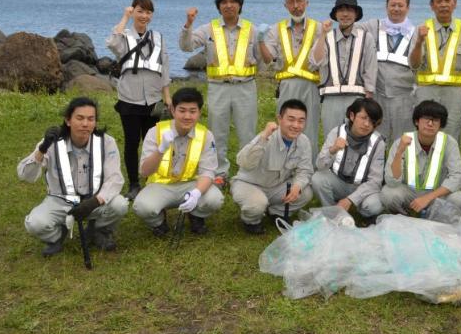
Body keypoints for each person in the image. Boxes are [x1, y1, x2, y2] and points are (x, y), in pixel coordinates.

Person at [17, 97, 128, 256]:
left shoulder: (107, 142)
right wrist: (42, 150)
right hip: (60, 200)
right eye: (80, 118)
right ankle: (57, 236)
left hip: (93, 200)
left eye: (91, 119)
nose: (85, 124)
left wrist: (95, 201)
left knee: (120, 204)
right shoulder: (51, 142)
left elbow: (115, 179)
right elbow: (25, 176)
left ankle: (98, 230)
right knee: (35, 224)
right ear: (68, 121)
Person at [180, 0, 260, 181]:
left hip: (245, 87)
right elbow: (186, 46)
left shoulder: (252, 30)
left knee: (247, 133)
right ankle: (219, 174)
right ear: (218, 6)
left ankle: (246, 174)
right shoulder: (208, 29)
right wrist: (188, 24)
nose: (229, 5)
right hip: (218, 88)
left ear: (240, 5)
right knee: (217, 133)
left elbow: (261, 58)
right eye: (224, 2)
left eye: (233, 1)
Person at [133, 87, 223, 236]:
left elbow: (208, 172)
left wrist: (196, 193)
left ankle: (196, 215)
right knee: (142, 207)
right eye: (182, 110)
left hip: (191, 184)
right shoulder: (155, 132)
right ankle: (159, 222)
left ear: (199, 113)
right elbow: (144, 171)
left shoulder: (206, 135)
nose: (187, 116)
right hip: (161, 185)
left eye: (192, 111)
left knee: (215, 199)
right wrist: (160, 150)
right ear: (173, 110)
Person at [106, 0, 171, 201]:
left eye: (148, 12)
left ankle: (152, 180)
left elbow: (165, 68)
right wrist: (124, 17)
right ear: (133, 11)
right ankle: (134, 183)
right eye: (140, 11)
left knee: (152, 142)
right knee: (132, 143)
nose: (144, 16)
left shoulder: (158, 37)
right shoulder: (124, 36)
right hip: (129, 99)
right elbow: (111, 43)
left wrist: (167, 98)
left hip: (153, 100)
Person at [231, 99, 314, 234]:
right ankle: (251, 221)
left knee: (305, 192)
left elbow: (305, 170)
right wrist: (263, 137)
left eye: (301, 121)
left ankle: (276, 212)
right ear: (280, 119)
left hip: (277, 187)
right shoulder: (267, 137)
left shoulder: (304, 141)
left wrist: (297, 186)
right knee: (257, 204)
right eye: (291, 119)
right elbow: (243, 162)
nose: (296, 125)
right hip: (250, 184)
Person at [409, 0, 461, 143]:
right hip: (426, 92)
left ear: (455, 3)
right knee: (424, 133)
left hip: (455, 94)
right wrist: (419, 41)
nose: (443, 4)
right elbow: (414, 64)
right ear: (432, 5)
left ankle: (448, 168)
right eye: (439, 1)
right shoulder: (422, 29)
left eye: (447, 0)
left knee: (451, 134)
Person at [259, 0, 321, 158]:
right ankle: (282, 169)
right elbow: (268, 58)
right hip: (286, 86)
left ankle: (308, 170)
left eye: (299, 1)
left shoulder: (320, 29)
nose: (296, 5)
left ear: (307, 3)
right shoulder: (275, 30)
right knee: (285, 129)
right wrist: (260, 41)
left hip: (311, 86)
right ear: (285, 5)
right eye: (291, 2)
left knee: (309, 129)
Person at [382, 100, 461, 218]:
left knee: (459, 198)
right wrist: (399, 152)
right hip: (409, 192)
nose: (430, 124)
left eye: (435, 120)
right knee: (388, 194)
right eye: (426, 119)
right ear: (417, 121)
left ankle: (432, 213)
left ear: (441, 125)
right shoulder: (401, 142)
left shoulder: (449, 143)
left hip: (436, 193)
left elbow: (457, 177)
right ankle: (404, 214)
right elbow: (391, 181)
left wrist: (428, 198)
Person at [310, 0, 377, 137]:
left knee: (356, 139)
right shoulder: (327, 36)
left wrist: (368, 101)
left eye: (349, 10)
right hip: (331, 100)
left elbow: (370, 70)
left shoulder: (366, 38)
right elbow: (316, 61)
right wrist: (322, 34)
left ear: (356, 14)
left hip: (357, 99)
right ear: (335, 14)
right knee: (332, 139)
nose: (345, 14)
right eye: (341, 10)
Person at [357, 0, 417, 144]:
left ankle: (399, 168)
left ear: (408, 8)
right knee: (375, 141)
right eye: (392, 5)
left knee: (403, 142)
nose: (396, 9)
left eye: (400, 5)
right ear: (386, 7)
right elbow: (350, 28)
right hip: (377, 96)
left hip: (404, 97)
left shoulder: (416, 33)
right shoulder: (372, 25)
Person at [311, 98, 385, 222]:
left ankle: (360, 210)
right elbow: (319, 165)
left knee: (374, 206)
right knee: (317, 179)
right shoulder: (337, 132)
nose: (367, 124)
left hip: (361, 186)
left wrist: (351, 200)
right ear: (352, 116)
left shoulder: (378, 143)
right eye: (363, 118)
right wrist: (332, 150)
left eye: (372, 121)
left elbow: (375, 181)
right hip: (338, 181)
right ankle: (332, 211)